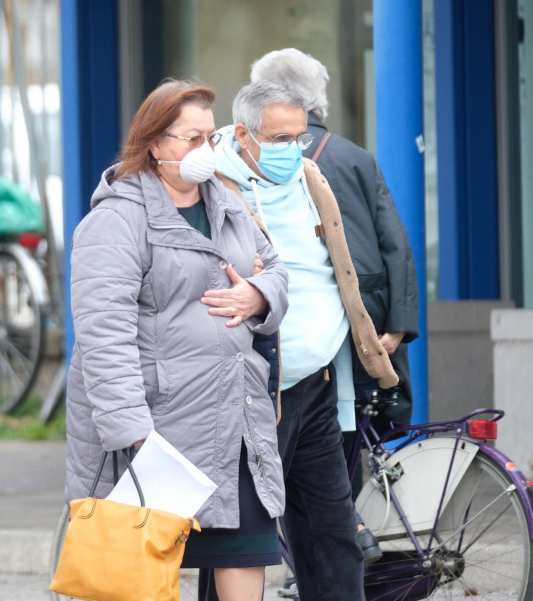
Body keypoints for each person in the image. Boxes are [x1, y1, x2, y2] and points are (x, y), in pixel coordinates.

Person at [64, 78, 289, 600]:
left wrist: (257, 295)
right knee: (137, 576)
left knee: (244, 553)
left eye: (211, 137)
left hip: (236, 420)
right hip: (160, 432)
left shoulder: (225, 202)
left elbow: (276, 268)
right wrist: (133, 433)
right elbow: (103, 336)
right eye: (192, 138)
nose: (206, 151)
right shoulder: (116, 219)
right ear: (155, 144)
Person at [208, 80, 399, 601]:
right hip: (254, 392)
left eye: (299, 136)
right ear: (244, 135)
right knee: (239, 543)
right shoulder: (216, 187)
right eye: (279, 138)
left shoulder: (309, 177)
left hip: (316, 383)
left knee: (332, 535)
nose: (292, 149)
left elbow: (336, 265)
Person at [249, 48, 421, 598]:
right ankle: (353, 524)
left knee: (290, 494)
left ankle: (353, 527)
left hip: (306, 351)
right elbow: (396, 243)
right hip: (351, 335)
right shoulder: (355, 156)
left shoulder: (273, 169)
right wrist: (397, 325)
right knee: (338, 458)